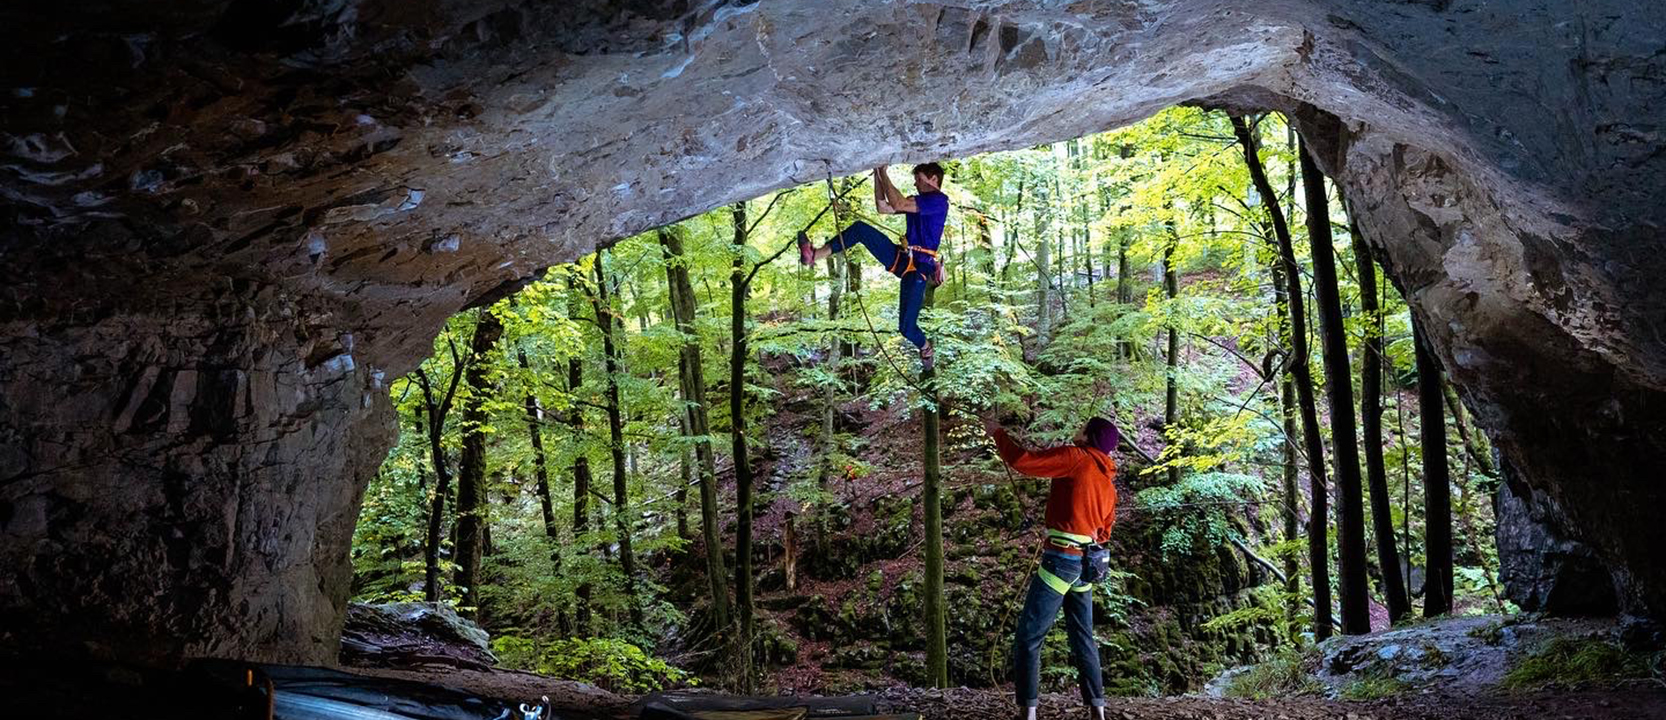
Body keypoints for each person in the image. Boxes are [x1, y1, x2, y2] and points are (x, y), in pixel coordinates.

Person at [982, 415, 1122, 720]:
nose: (1078, 428)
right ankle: (1097, 710)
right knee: (1083, 637)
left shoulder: (1075, 458)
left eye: (1083, 427)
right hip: (1086, 565)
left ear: (1090, 436)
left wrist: (997, 434)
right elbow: (1105, 532)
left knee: (1029, 636)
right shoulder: (1108, 482)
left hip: (1061, 560)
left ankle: (1029, 713)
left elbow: (1024, 461)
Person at [799, 163, 948, 367]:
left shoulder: (939, 201)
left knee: (906, 328)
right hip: (903, 259)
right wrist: (878, 173)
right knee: (860, 229)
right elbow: (883, 207)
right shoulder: (918, 202)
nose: (915, 183)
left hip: (919, 269)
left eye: (918, 179)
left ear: (933, 179)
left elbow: (897, 203)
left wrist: (884, 172)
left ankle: (925, 347)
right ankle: (814, 255)